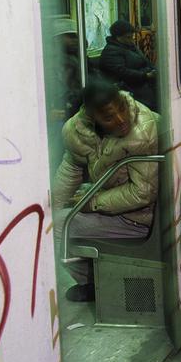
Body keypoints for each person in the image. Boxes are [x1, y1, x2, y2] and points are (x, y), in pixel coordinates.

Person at [52, 80, 159, 302]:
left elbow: (143, 193)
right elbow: (71, 168)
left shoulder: (141, 130)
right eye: (109, 117)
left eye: (121, 107)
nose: (122, 119)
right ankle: (94, 278)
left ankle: (90, 284)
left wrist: (91, 203)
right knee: (51, 217)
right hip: (114, 199)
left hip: (138, 218)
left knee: (57, 226)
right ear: (92, 117)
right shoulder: (77, 131)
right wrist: (52, 204)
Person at [99, 19, 157, 110]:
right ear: (118, 37)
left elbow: (145, 61)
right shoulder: (110, 51)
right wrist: (145, 75)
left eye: (132, 37)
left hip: (142, 81)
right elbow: (121, 72)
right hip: (129, 86)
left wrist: (154, 70)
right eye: (128, 37)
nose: (131, 40)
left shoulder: (130, 47)